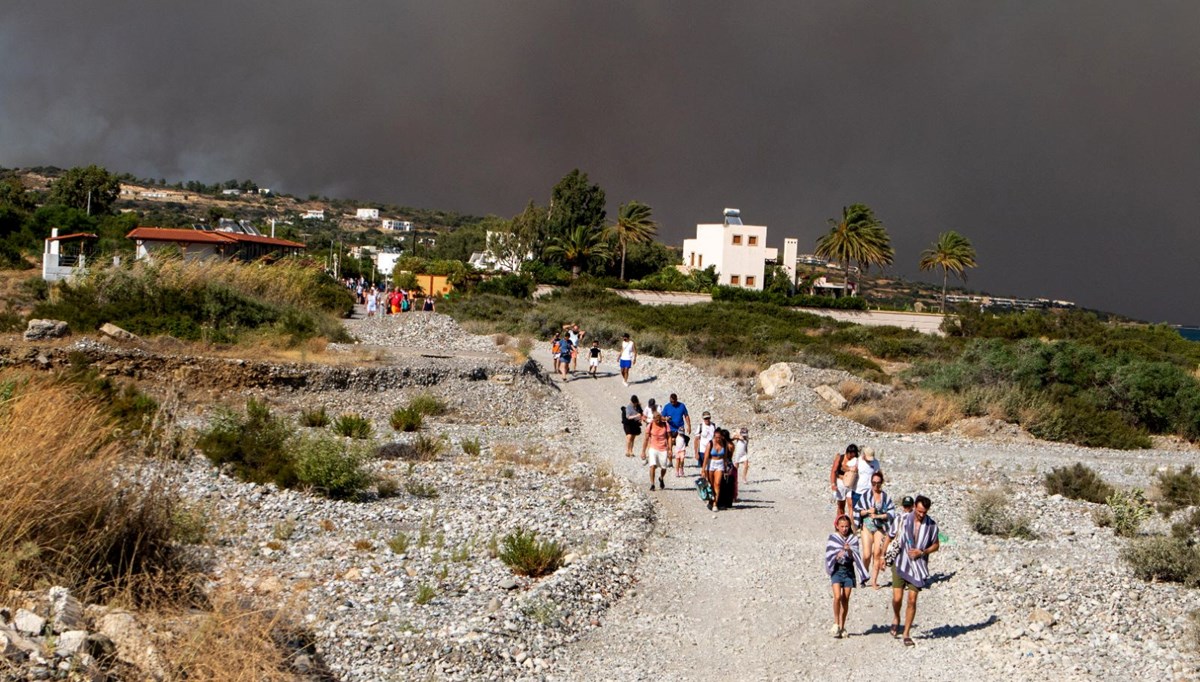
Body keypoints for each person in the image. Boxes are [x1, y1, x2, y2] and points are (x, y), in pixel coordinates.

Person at [891, 495, 940, 646]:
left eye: (924, 512)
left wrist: (923, 552)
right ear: (914, 508)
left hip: (918, 566)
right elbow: (890, 535)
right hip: (901, 561)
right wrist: (881, 557)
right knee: (897, 598)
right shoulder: (903, 519)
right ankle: (896, 617)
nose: (921, 514)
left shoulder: (931, 525)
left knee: (912, 600)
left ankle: (906, 633)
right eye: (919, 511)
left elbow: (936, 544)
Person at [825, 514, 867, 639]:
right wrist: (836, 556)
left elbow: (856, 556)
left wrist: (849, 551)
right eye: (842, 526)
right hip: (837, 570)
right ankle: (836, 623)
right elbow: (829, 553)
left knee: (845, 598)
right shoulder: (833, 538)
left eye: (847, 526)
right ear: (837, 526)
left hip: (848, 570)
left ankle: (843, 626)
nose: (844, 529)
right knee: (837, 596)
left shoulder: (853, 540)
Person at [854, 471, 895, 589]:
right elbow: (858, 511)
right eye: (873, 483)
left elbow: (891, 512)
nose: (875, 486)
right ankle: (863, 576)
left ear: (881, 483)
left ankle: (874, 581)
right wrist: (868, 511)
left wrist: (879, 516)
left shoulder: (885, 497)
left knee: (877, 553)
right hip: (867, 526)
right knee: (866, 554)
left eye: (878, 483)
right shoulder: (866, 495)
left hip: (880, 527)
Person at [642, 401, 670, 491]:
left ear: (661, 418)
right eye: (655, 419)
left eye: (658, 419)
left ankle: (661, 478)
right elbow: (646, 439)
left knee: (664, 467)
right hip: (653, 448)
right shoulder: (650, 426)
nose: (657, 421)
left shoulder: (665, 425)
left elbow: (669, 437)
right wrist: (643, 451)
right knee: (652, 466)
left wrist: (670, 449)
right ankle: (652, 484)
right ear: (653, 419)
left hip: (663, 448)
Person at [701, 428, 731, 512]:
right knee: (710, 484)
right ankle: (711, 500)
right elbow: (706, 457)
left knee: (717, 484)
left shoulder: (724, 443)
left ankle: (715, 503)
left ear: (721, 437)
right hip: (711, 464)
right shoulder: (710, 443)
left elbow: (725, 456)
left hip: (720, 463)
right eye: (716, 437)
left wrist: (725, 468)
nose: (717, 439)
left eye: (719, 437)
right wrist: (703, 469)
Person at [829, 444, 858, 518]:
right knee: (841, 505)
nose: (851, 457)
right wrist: (833, 484)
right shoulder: (840, 458)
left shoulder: (856, 460)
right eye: (850, 456)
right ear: (847, 453)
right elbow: (833, 471)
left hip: (851, 484)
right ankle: (840, 523)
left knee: (851, 505)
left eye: (853, 456)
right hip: (840, 483)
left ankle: (851, 525)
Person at [853, 446, 882, 513]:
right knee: (857, 513)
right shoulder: (858, 461)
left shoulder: (876, 462)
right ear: (864, 455)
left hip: (870, 492)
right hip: (858, 491)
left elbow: (877, 475)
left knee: (868, 514)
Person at [731, 427, 750, 498]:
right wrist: (738, 436)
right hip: (738, 454)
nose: (744, 435)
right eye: (743, 434)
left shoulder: (747, 439)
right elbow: (732, 438)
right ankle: (735, 478)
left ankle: (744, 477)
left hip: (744, 454)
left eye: (745, 434)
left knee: (746, 465)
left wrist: (746, 452)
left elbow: (746, 446)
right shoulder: (739, 437)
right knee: (736, 467)